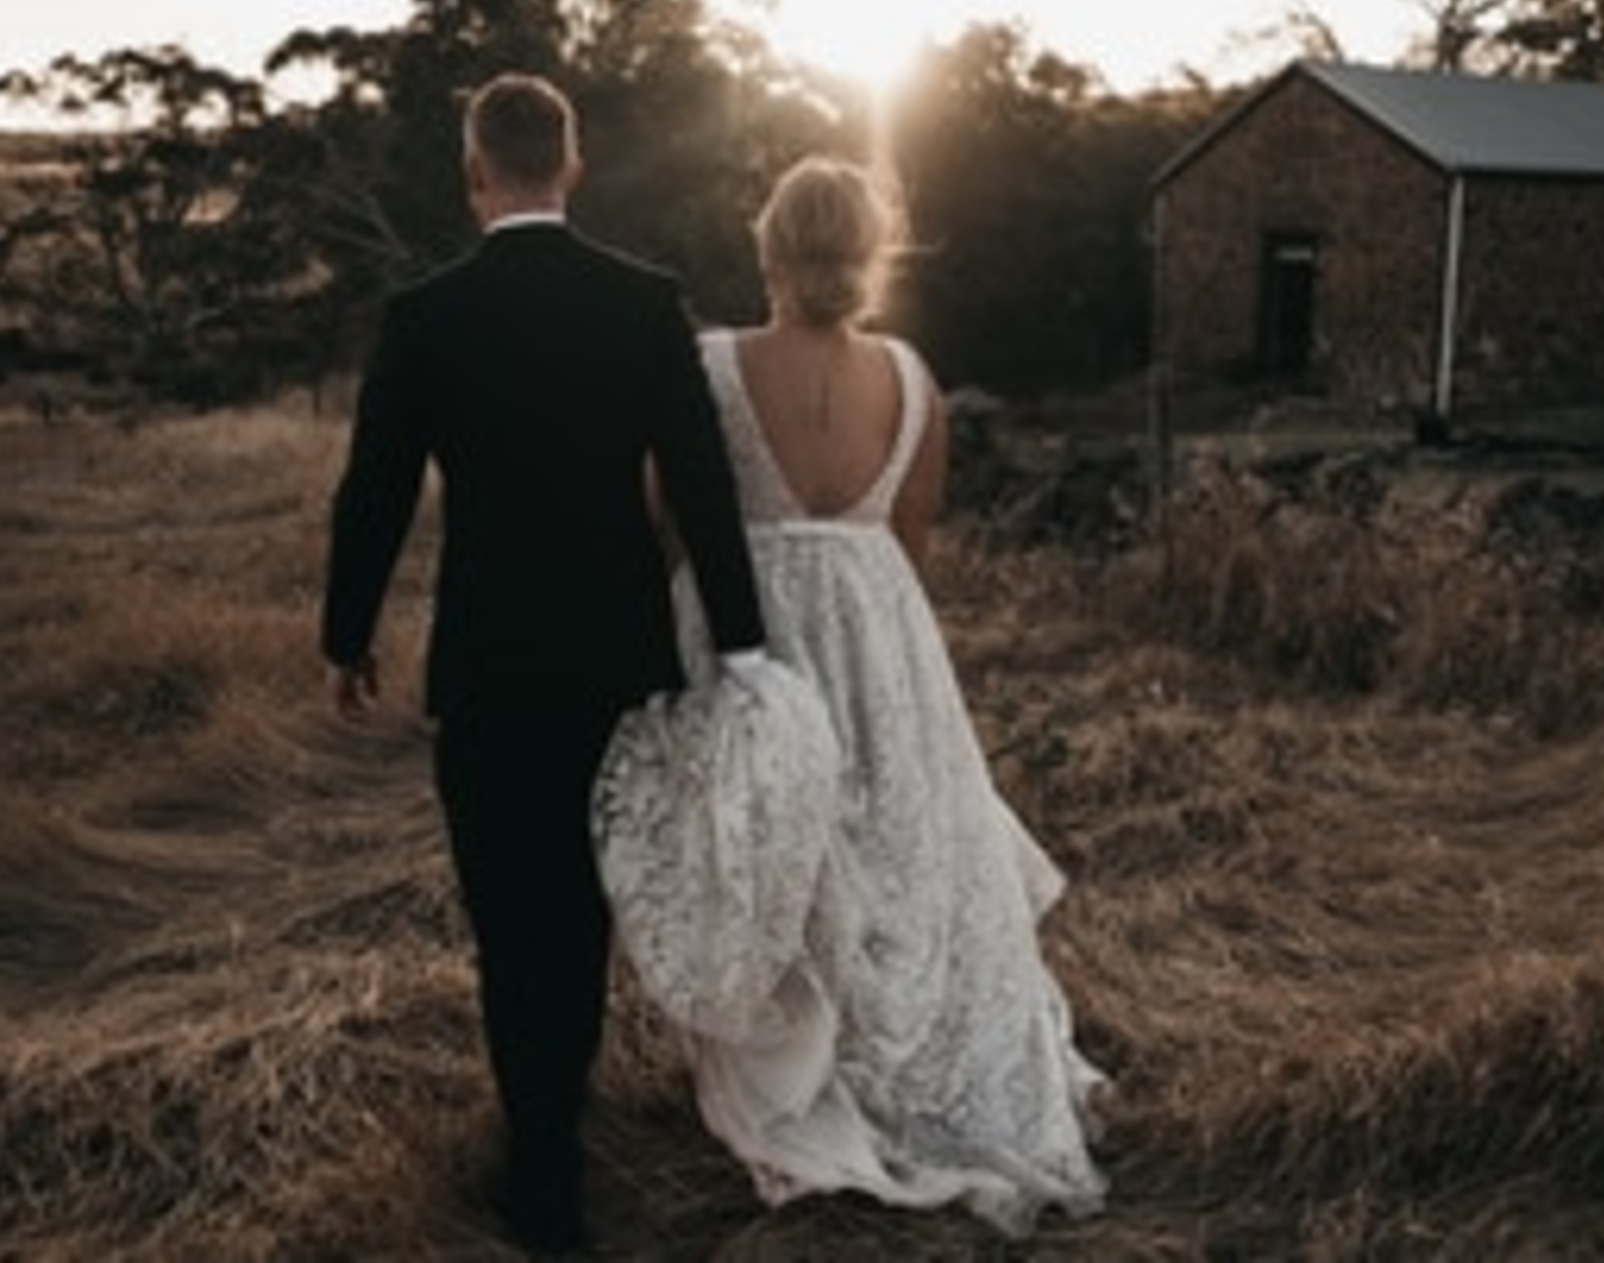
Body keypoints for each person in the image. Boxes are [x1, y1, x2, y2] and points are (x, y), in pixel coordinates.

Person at [594, 156, 1109, 1235]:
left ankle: (807, 1072)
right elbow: (906, 538)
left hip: (748, 633)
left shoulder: (711, 362)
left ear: (767, 244)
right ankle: (899, 1053)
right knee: (891, 839)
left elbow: (663, 513)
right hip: (881, 628)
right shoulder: (914, 379)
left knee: (774, 848)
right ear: (871, 252)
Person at [319, 72, 767, 1254]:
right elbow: (703, 484)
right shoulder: (643, 303)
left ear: (475, 175)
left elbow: (372, 492)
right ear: (569, 166)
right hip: (621, 657)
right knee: (585, 905)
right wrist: (741, 643)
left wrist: (345, 637)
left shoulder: (425, 318)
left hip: (487, 663)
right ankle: (557, 1126)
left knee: (511, 909)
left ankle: (541, 1166)